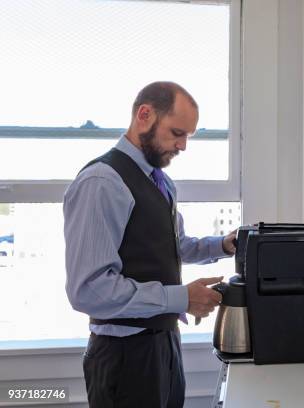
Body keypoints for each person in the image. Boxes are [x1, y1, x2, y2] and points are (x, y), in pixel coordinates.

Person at [64, 81, 235, 408]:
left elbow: (174, 245)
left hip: (164, 345)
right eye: (177, 133)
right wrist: (181, 297)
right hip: (124, 357)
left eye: (188, 136)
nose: (183, 145)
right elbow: (90, 289)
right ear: (144, 115)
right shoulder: (102, 182)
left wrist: (223, 246)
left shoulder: (161, 182)